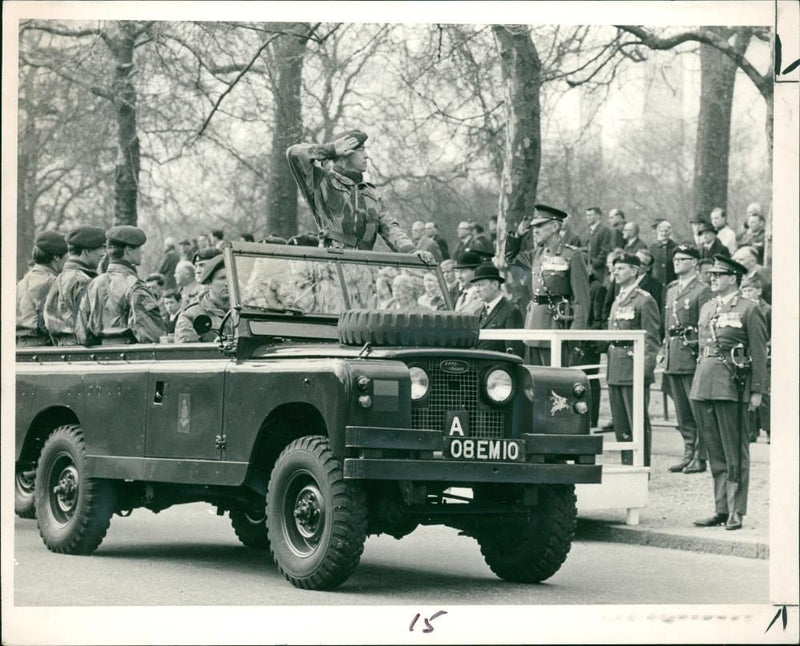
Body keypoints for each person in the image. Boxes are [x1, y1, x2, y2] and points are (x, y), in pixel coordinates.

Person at [690, 255, 768, 531]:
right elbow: (702, 347)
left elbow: (759, 353)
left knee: (735, 451)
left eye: (718, 275)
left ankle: (736, 510)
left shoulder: (749, 309)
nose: (712, 278)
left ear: (733, 278)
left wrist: (757, 390)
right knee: (714, 449)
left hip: (731, 386)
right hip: (704, 383)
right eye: (711, 274)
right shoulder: (708, 307)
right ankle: (721, 508)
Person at [286, 130, 422, 256]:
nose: (366, 156)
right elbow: (294, 154)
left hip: (364, 267)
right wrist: (331, 150)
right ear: (345, 153)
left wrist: (412, 251)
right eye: (361, 150)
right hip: (332, 265)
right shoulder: (321, 181)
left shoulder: (372, 193)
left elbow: (391, 228)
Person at [506, 204, 590, 366]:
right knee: (533, 378)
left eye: (539, 226)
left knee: (555, 378)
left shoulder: (572, 255)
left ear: (555, 227)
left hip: (557, 327)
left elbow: (581, 300)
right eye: (533, 227)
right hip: (534, 326)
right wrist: (518, 236)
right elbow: (511, 259)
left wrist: (574, 337)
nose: (535, 231)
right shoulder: (536, 254)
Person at [660, 244, 713, 474]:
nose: (677, 262)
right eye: (675, 259)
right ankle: (688, 452)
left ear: (694, 263)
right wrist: (664, 350)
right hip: (674, 354)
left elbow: (705, 327)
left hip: (691, 356)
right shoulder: (672, 289)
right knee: (682, 411)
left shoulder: (702, 290)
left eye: (682, 259)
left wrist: (702, 355)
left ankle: (700, 456)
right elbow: (668, 326)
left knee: (697, 409)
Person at [605, 253, 660, 466]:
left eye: (621, 268)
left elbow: (651, 340)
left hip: (632, 368)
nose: (615, 272)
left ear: (635, 271)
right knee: (621, 424)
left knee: (637, 422)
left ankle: (641, 467)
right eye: (615, 268)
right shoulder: (618, 299)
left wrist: (643, 372)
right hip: (616, 367)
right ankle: (627, 465)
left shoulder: (644, 300)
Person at [76, 226, 166, 345]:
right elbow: (153, 335)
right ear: (128, 250)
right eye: (139, 248)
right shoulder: (134, 285)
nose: (142, 252)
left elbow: (82, 334)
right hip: (129, 351)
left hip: (99, 352)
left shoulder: (93, 284)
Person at [42, 225, 106, 346]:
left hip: (61, 347)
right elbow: (91, 324)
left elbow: (48, 318)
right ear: (87, 251)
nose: (103, 254)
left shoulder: (59, 278)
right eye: (100, 249)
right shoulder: (84, 281)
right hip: (83, 349)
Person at [16, 230, 68, 347]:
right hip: (42, 346)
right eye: (66, 256)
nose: (67, 260)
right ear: (56, 257)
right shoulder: (52, 282)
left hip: (19, 346)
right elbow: (51, 324)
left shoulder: (23, 282)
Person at [740, 274, 771, 443]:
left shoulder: (767, 310)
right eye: (743, 291)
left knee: (763, 394)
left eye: (750, 290)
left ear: (758, 291)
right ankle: (752, 430)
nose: (746, 294)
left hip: (764, 355)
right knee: (747, 392)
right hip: (746, 356)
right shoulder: (742, 309)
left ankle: (769, 429)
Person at [175, 254, 231, 343]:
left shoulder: (243, 311)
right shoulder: (191, 315)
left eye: (231, 278)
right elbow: (187, 350)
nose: (228, 283)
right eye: (222, 278)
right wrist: (214, 347)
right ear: (208, 283)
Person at [471, 264, 524, 357]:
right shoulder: (477, 312)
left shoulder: (511, 311)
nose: (477, 290)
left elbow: (514, 352)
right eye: (475, 285)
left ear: (495, 285)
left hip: (498, 364)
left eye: (481, 285)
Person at [583, 206, 613, 283]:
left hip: (599, 270)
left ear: (598, 216)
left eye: (590, 215)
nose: (588, 218)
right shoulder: (587, 231)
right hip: (587, 268)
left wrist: (594, 264)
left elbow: (605, 251)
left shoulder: (605, 230)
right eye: (587, 215)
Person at [452, 251, 484, 315]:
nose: (459, 276)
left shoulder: (482, 296)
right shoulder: (460, 297)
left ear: (476, 271)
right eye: (457, 272)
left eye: (463, 271)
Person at [649, 219, 678, 286]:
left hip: (672, 282)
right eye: (661, 231)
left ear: (670, 232)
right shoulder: (652, 247)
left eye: (666, 231)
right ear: (657, 232)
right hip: (656, 283)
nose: (664, 233)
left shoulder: (676, 247)